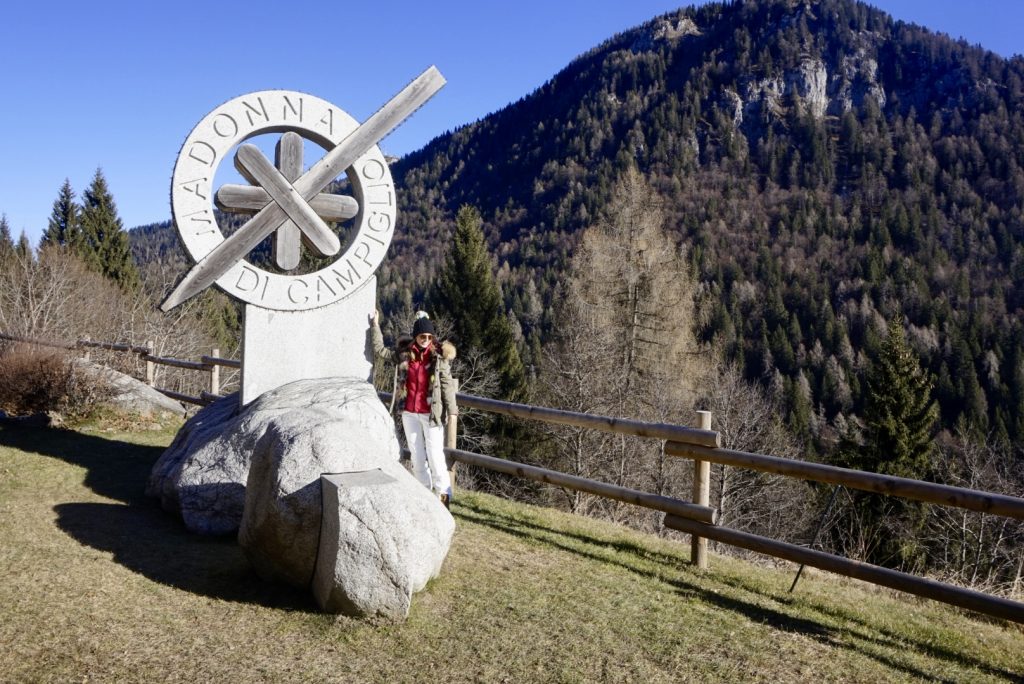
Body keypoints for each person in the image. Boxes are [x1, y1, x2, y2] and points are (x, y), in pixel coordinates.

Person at [370, 310, 458, 507]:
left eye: (429, 336)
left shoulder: (438, 357)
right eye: (422, 336)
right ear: (416, 336)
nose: (426, 340)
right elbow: (381, 351)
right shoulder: (404, 354)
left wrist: (452, 411)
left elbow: (446, 384)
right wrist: (375, 326)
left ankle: (443, 497)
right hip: (409, 412)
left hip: (431, 414)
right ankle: (424, 495)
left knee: (435, 456)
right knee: (417, 456)